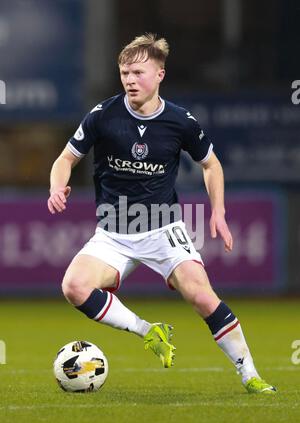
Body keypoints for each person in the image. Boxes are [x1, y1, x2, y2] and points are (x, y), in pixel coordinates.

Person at [48, 33, 276, 394]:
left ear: (159, 75)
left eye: (138, 72)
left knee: (201, 296)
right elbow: (66, 158)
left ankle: (250, 374)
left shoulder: (180, 121)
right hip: (113, 234)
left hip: (163, 230)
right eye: (124, 72)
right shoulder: (102, 115)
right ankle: (147, 331)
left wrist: (218, 212)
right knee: (74, 287)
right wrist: (56, 186)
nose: (129, 80)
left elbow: (211, 165)